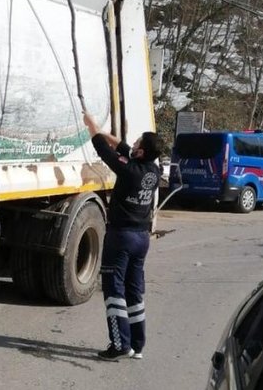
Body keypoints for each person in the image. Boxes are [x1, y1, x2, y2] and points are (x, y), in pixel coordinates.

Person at [82, 110, 162, 361]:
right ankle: (137, 345)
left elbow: (105, 151)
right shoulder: (152, 172)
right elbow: (121, 146)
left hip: (122, 238)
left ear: (141, 152)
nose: (133, 144)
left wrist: (92, 127)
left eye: (137, 143)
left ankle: (119, 345)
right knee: (134, 290)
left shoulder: (130, 171)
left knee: (114, 289)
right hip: (141, 238)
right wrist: (105, 132)